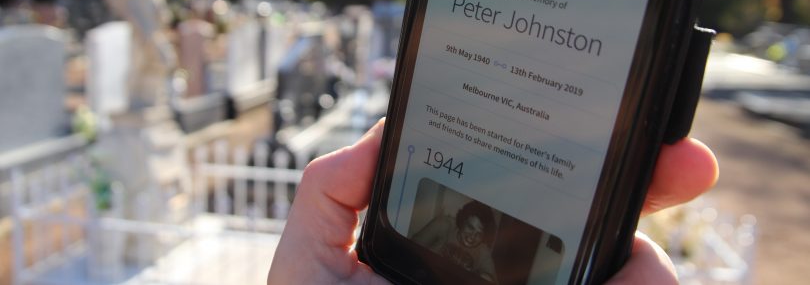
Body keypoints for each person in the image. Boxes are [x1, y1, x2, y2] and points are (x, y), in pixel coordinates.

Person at [267, 118, 719, 284]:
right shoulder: (439, 233)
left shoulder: (484, 258)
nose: (470, 234)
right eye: (469, 226)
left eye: (477, 232)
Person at [412, 200, 498, 282]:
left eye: (479, 234)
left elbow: (491, 280)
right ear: (462, 221)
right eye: (470, 227)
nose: (472, 236)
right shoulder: (443, 224)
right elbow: (410, 249)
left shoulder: (483, 252)